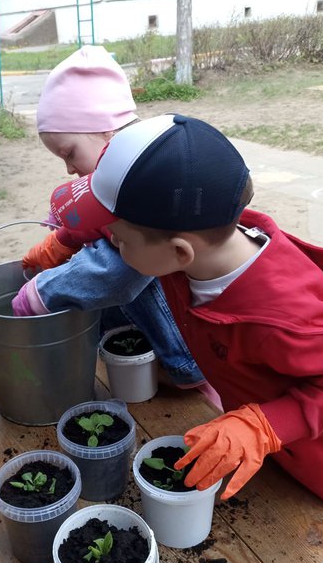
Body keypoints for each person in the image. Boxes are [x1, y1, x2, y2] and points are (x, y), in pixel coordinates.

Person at [45, 113, 323, 552]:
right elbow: (122, 225)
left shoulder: (281, 315)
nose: (110, 245)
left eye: (116, 239)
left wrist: (264, 426)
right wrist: (66, 239)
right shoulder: (197, 241)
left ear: (178, 252)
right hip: (262, 455)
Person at [12, 46, 218, 405]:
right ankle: (126, 345)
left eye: (69, 153)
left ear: (105, 132)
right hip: (156, 334)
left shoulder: (145, 187)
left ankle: (176, 366)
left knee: (113, 259)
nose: (69, 170)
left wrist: (40, 294)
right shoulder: (124, 169)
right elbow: (98, 223)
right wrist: (62, 240)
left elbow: (118, 271)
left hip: (184, 349)